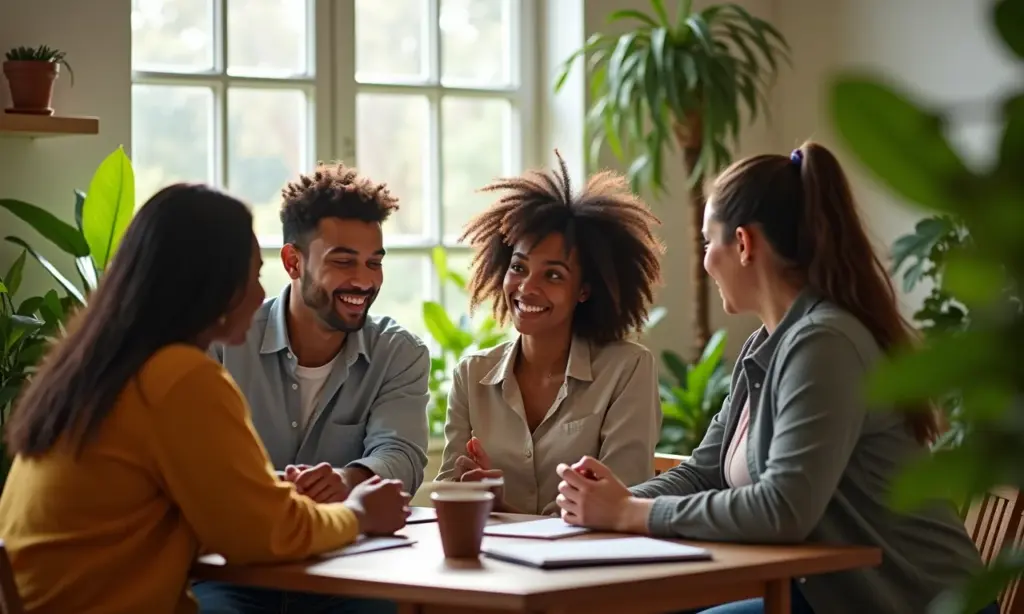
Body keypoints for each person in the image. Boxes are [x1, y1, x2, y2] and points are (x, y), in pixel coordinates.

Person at [552, 142, 991, 614]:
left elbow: (783, 509)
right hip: (829, 596)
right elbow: (705, 471)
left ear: (742, 244)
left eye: (707, 243)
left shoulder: (825, 344)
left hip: (909, 604)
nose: (704, 262)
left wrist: (628, 513)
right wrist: (609, 502)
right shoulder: (768, 344)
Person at [0, 184, 409, 614]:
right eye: (249, 278)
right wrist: (360, 513)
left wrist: (262, 496)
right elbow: (264, 537)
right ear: (204, 284)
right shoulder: (180, 377)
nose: (258, 297)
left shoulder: (97, 364)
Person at [195, 163, 430, 611]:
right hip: (237, 571)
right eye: (343, 261)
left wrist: (348, 480)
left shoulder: (398, 353)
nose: (364, 281)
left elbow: (400, 456)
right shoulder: (225, 341)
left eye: (374, 262)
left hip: (346, 573)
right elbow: (201, 463)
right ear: (292, 261)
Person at [435, 151, 665, 516]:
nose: (527, 287)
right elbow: (447, 496)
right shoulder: (472, 375)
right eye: (518, 267)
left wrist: (504, 509)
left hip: (590, 566)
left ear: (584, 290)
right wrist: (466, 491)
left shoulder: (628, 369)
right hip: (494, 567)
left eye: (553, 275)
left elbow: (623, 497)